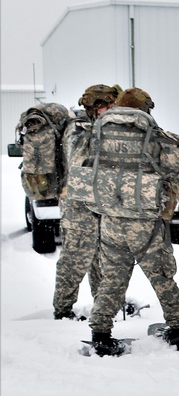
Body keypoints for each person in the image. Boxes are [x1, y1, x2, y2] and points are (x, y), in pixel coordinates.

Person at [79, 88, 179, 356]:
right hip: (145, 222)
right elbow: (176, 183)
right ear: (146, 109)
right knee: (161, 276)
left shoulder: (96, 134)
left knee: (112, 278)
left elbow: (82, 172)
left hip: (111, 218)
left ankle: (100, 333)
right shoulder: (159, 139)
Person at [48, 85, 118, 320]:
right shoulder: (78, 131)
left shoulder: (104, 128)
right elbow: (79, 167)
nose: (111, 110)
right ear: (96, 107)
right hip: (78, 208)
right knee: (75, 260)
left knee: (102, 259)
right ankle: (63, 310)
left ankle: (103, 307)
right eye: (107, 106)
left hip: (100, 205)